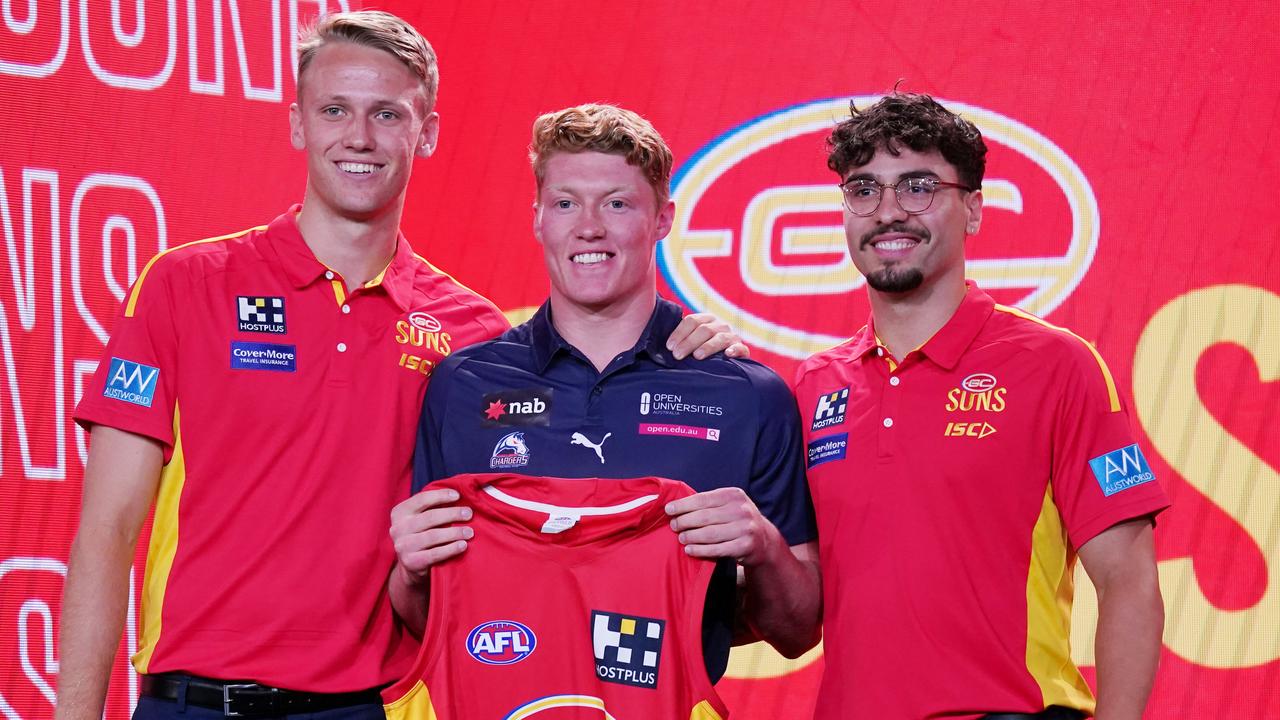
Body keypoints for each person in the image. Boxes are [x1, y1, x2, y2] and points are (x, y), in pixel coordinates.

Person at [57, 13, 740, 720]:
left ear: (428, 132)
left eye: (388, 113)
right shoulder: (184, 283)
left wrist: (684, 346)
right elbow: (106, 532)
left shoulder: (473, 335)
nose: (359, 137)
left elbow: (588, 448)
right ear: (297, 124)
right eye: (334, 110)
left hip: (376, 705)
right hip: (195, 703)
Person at [387, 104, 822, 666]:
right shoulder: (465, 385)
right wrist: (411, 573)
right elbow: (429, 623)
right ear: (539, 217)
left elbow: (798, 631)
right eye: (566, 203)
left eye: (617, 203)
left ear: (663, 218)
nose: (588, 226)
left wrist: (762, 547)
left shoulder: (746, 394)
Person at [792, 92, 1170, 720]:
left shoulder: (1057, 366)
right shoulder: (811, 384)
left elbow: (1128, 581)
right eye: (864, 190)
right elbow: (794, 599)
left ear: (972, 210)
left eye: (918, 188)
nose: (889, 213)